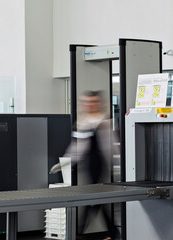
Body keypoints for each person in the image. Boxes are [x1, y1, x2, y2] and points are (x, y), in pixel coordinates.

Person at [50, 90, 118, 238]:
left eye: (93, 102)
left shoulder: (105, 121)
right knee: (96, 199)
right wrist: (63, 163)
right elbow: (77, 148)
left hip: (101, 165)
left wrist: (118, 164)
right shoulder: (83, 122)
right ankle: (111, 232)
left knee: (93, 198)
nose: (90, 105)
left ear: (98, 103)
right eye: (87, 102)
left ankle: (81, 232)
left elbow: (111, 146)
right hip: (90, 164)